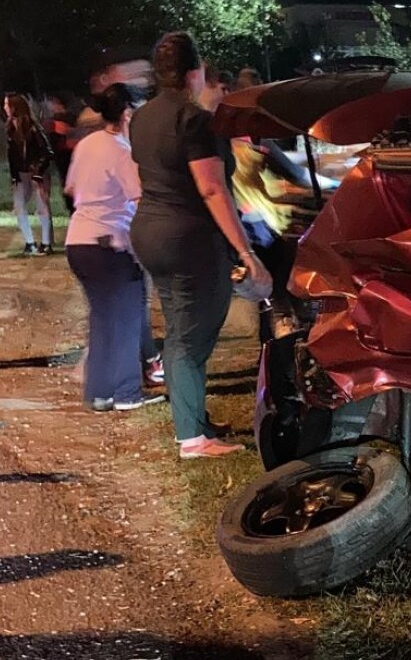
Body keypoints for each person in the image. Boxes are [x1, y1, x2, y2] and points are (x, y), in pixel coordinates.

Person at [129, 30, 272, 460]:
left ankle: (193, 420)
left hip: (150, 231)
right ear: (194, 74)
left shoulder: (142, 117)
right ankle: (192, 438)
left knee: (178, 329)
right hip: (188, 237)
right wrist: (246, 253)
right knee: (193, 337)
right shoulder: (194, 120)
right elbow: (212, 190)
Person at [64, 84, 162, 413]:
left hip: (78, 242)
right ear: (127, 113)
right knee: (127, 319)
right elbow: (139, 200)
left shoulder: (88, 144)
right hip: (109, 244)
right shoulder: (122, 152)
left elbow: (71, 187)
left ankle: (100, 392)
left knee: (103, 318)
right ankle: (127, 393)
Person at [4, 94, 54, 255]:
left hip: (36, 173)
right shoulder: (11, 127)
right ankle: (30, 243)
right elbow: (12, 156)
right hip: (21, 173)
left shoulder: (32, 128)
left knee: (42, 207)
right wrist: (14, 176)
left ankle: (46, 243)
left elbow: (46, 152)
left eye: (7, 104)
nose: (4, 107)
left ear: (14, 107)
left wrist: (38, 171)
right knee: (19, 206)